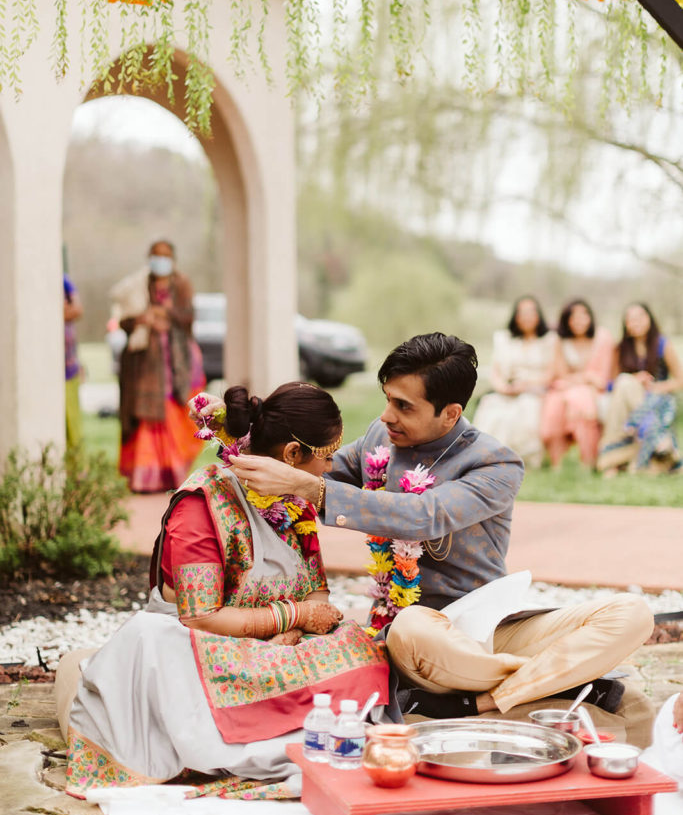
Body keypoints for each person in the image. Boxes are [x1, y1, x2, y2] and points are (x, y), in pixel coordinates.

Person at [231, 333, 653, 723]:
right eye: (388, 399)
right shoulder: (381, 436)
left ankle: (482, 702)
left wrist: (311, 488)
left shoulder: (495, 464)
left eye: (404, 406)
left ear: (451, 413)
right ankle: (559, 680)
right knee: (412, 625)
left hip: (491, 631)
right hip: (420, 638)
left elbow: (423, 515)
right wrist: (249, 438)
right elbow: (324, 473)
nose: (386, 415)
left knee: (632, 615)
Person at [56, 382, 389, 799]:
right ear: (291, 455)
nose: (329, 469)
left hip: (281, 647)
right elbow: (199, 616)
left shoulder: (296, 501)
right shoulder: (202, 504)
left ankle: (283, 724)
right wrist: (293, 619)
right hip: (202, 647)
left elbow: (316, 592)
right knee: (154, 644)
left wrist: (293, 632)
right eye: (325, 456)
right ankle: (242, 740)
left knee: (364, 654)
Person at [112, 240, 206, 493]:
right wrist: (145, 318)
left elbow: (188, 317)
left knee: (179, 414)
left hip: (176, 363)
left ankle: (175, 476)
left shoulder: (181, 284)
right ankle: (146, 479)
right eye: (155, 256)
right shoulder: (139, 285)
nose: (159, 261)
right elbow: (124, 321)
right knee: (145, 417)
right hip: (144, 367)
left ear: (173, 260)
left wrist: (165, 314)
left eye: (164, 256)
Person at [597, 302, 682, 477]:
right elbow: (611, 384)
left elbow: (680, 380)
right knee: (625, 384)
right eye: (631, 319)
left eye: (640, 317)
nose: (636, 322)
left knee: (626, 386)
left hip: (657, 400)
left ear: (649, 319)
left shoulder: (662, 344)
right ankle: (655, 447)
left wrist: (658, 387)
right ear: (626, 324)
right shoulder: (621, 348)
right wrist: (635, 379)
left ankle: (618, 460)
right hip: (627, 402)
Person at [472, 296, 559, 468]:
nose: (526, 317)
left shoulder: (549, 340)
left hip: (535, 391)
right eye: (522, 313)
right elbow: (495, 371)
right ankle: (488, 458)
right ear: (515, 317)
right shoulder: (504, 339)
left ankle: (523, 459)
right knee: (492, 407)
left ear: (538, 315)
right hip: (507, 390)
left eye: (531, 312)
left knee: (526, 409)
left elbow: (552, 374)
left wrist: (526, 385)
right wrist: (503, 388)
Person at [540, 299, 614, 468]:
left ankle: (588, 460)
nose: (579, 321)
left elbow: (601, 377)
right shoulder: (561, 341)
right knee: (554, 405)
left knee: (581, 405)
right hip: (567, 387)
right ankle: (556, 463)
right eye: (573, 317)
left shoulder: (602, 338)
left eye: (583, 316)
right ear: (567, 321)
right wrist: (584, 378)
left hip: (594, 389)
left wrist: (582, 380)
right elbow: (561, 375)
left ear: (591, 318)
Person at [63, 273, 83, 447]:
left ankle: (77, 472)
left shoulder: (64, 281)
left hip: (69, 369)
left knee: (73, 430)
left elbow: (77, 310)